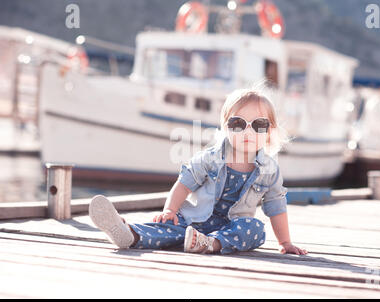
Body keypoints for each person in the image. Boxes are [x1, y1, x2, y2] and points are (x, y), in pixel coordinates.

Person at [89, 85, 308, 255]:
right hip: (194, 220)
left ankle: (210, 244)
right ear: (225, 127)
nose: (248, 132)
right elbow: (184, 183)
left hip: (230, 228)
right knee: (170, 228)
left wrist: (285, 242)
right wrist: (170, 210)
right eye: (238, 124)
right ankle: (130, 234)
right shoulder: (211, 158)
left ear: (269, 131)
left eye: (259, 125)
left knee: (255, 229)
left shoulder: (269, 170)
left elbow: (276, 206)